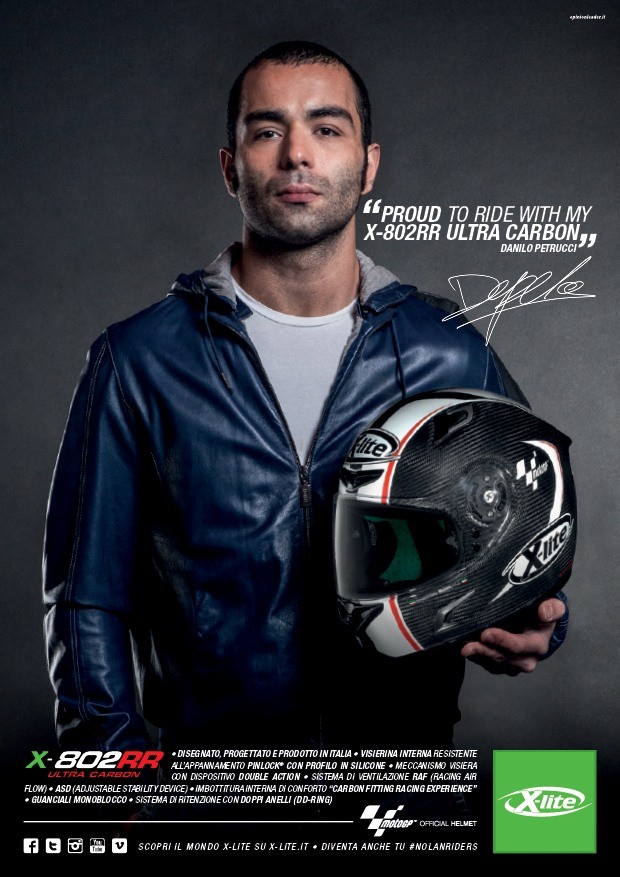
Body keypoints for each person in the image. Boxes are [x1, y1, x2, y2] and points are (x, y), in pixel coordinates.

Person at [43, 41, 568, 768]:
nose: (297, 154)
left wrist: (537, 620)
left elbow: (526, 520)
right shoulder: (138, 361)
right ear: (230, 167)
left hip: (396, 782)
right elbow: (86, 596)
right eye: (267, 130)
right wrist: (111, 770)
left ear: (368, 165)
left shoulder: (448, 350)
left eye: (326, 127)